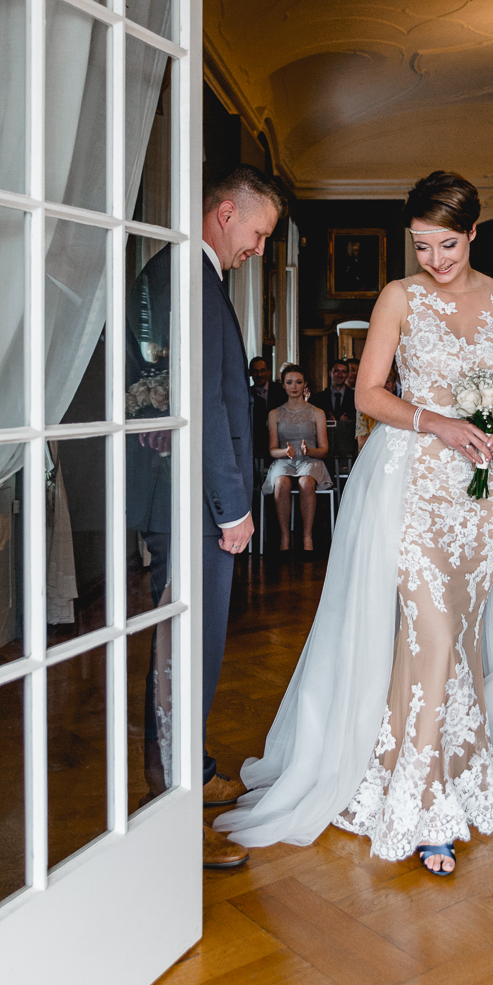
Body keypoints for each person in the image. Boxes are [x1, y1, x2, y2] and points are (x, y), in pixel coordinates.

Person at [217, 171, 493, 876]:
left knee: (460, 635)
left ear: (474, 233)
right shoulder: (399, 297)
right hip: (417, 489)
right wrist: (442, 423)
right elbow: (369, 395)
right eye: (423, 246)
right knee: (427, 632)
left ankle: (450, 763)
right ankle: (423, 804)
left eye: (448, 244)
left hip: (484, 499)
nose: (436, 259)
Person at [159, 163, 285, 868]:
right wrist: (233, 506)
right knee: (188, 652)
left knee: (192, 651)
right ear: (226, 212)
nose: (258, 250)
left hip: (191, 496)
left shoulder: (193, 276)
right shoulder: (194, 279)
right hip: (198, 504)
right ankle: (173, 805)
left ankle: (192, 770)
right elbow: (206, 404)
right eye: (259, 234)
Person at [263, 365, 332, 553]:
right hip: (284, 460)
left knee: (306, 483)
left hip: (310, 460)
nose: (294, 386)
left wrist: (309, 450)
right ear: (283, 386)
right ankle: (285, 537)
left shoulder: (317, 412)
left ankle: (307, 537)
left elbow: (324, 450)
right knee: (281, 482)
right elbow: (272, 450)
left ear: (305, 384)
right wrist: (285, 452)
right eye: (289, 382)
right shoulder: (275, 413)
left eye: (299, 382)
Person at [249, 355, 287, 464]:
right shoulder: (246, 394)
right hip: (256, 442)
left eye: (262, 371)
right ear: (250, 373)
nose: (259, 375)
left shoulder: (281, 390)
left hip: (280, 440)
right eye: (255, 371)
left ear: (269, 372)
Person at [312, 360, 355, 425]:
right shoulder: (317, 398)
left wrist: (347, 422)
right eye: (336, 371)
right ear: (330, 373)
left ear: (347, 375)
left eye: (344, 372)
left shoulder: (355, 397)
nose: (340, 375)